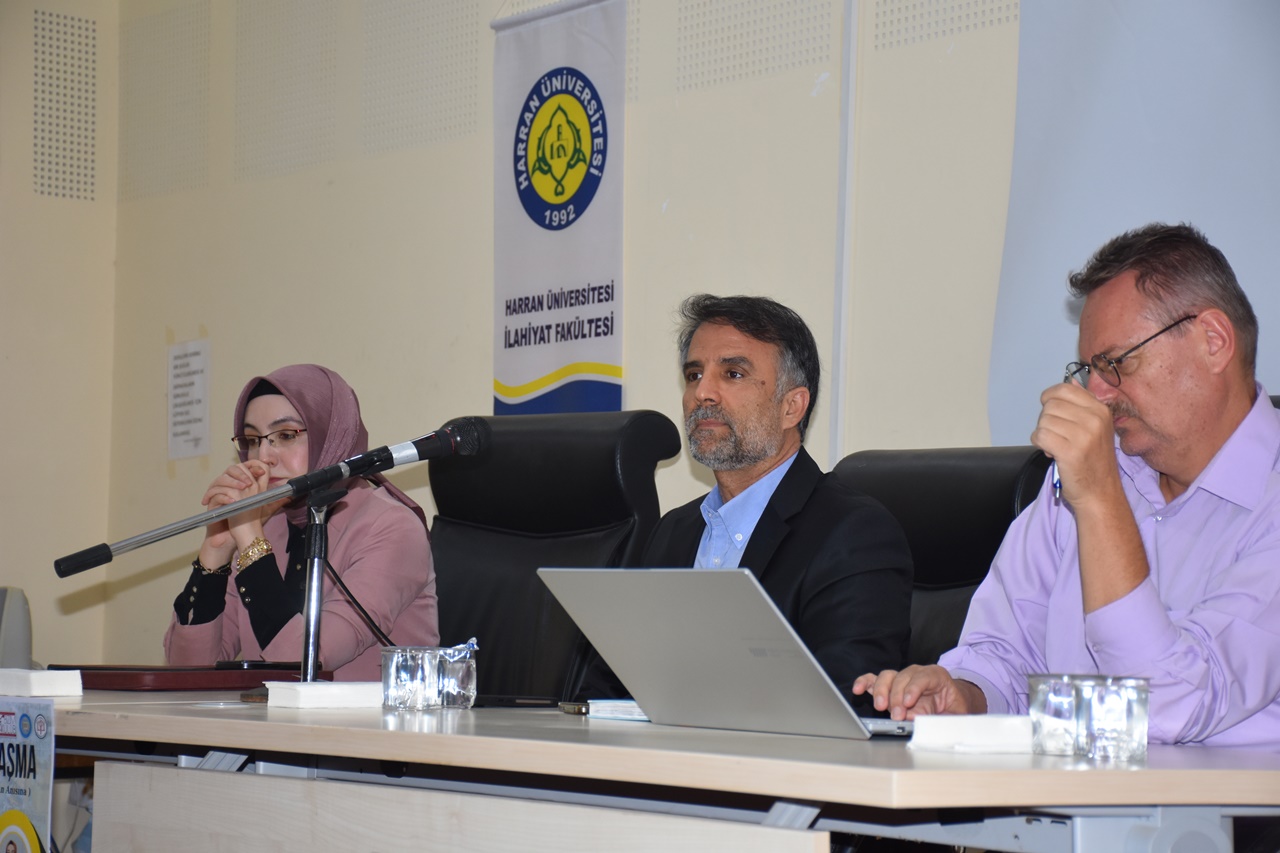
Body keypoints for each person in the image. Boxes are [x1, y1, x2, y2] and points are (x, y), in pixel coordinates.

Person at [854, 223, 1280, 746]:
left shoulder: (1102, 482)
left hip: (1217, 801)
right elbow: (1003, 654)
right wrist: (963, 697)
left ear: (1213, 341)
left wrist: (1100, 501)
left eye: (1117, 363)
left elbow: (1170, 707)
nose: (1097, 394)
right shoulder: (1093, 474)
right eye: (1090, 369)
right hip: (1061, 789)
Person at [583, 295, 912, 700]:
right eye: (693, 374)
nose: (703, 393)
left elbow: (848, 700)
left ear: (792, 406)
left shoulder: (853, 533)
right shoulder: (672, 532)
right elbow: (607, 687)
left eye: (733, 374)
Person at [165, 364, 438, 680]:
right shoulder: (264, 527)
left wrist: (251, 543)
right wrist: (216, 552)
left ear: (331, 435)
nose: (263, 456)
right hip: (270, 712)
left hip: (372, 713)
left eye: (285, 435)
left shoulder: (391, 527)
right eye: (252, 440)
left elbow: (306, 663)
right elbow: (188, 672)